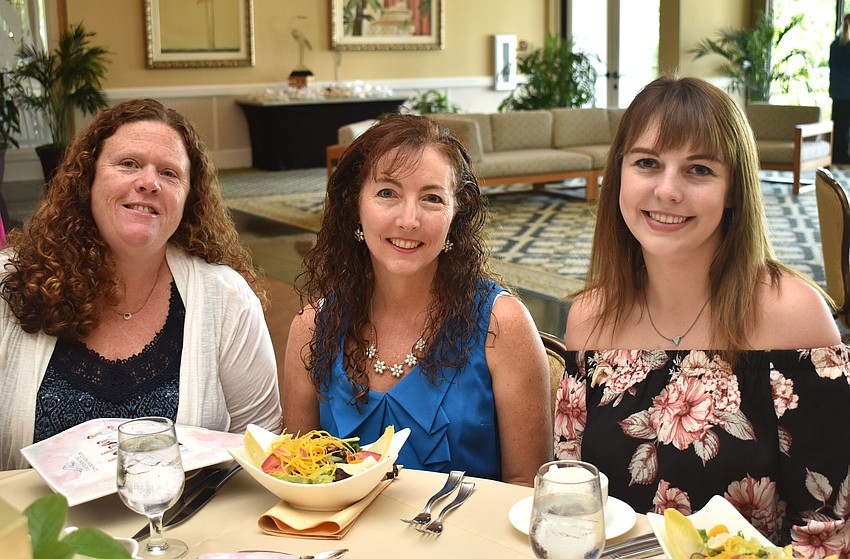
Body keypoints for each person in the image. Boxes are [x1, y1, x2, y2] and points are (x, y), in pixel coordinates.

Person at [557, 76, 850, 554]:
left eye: (698, 170)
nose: (667, 190)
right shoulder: (590, 318)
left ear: (734, 190)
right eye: (647, 163)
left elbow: (830, 539)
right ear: (619, 175)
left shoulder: (795, 318)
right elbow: (570, 505)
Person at [0, 98, 281, 470]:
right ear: (88, 179)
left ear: (188, 198)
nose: (149, 182)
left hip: (183, 525)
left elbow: (261, 444)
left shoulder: (225, 298)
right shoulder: (10, 284)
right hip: (34, 527)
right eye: (129, 164)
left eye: (169, 173)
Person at [283, 113, 552, 486]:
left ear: (455, 215)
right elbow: (298, 482)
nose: (409, 220)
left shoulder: (503, 325)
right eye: (387, 193)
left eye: (431, 198)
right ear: (354, 206)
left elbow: (526, 490)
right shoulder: (310, 328)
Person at [830, 13, 850, 165]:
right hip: (848, 93)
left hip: (837, 93)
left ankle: (836, 155)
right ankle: (843, 156)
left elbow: (832, 69)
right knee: (845, 127)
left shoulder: (835, 45)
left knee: (837, 126)